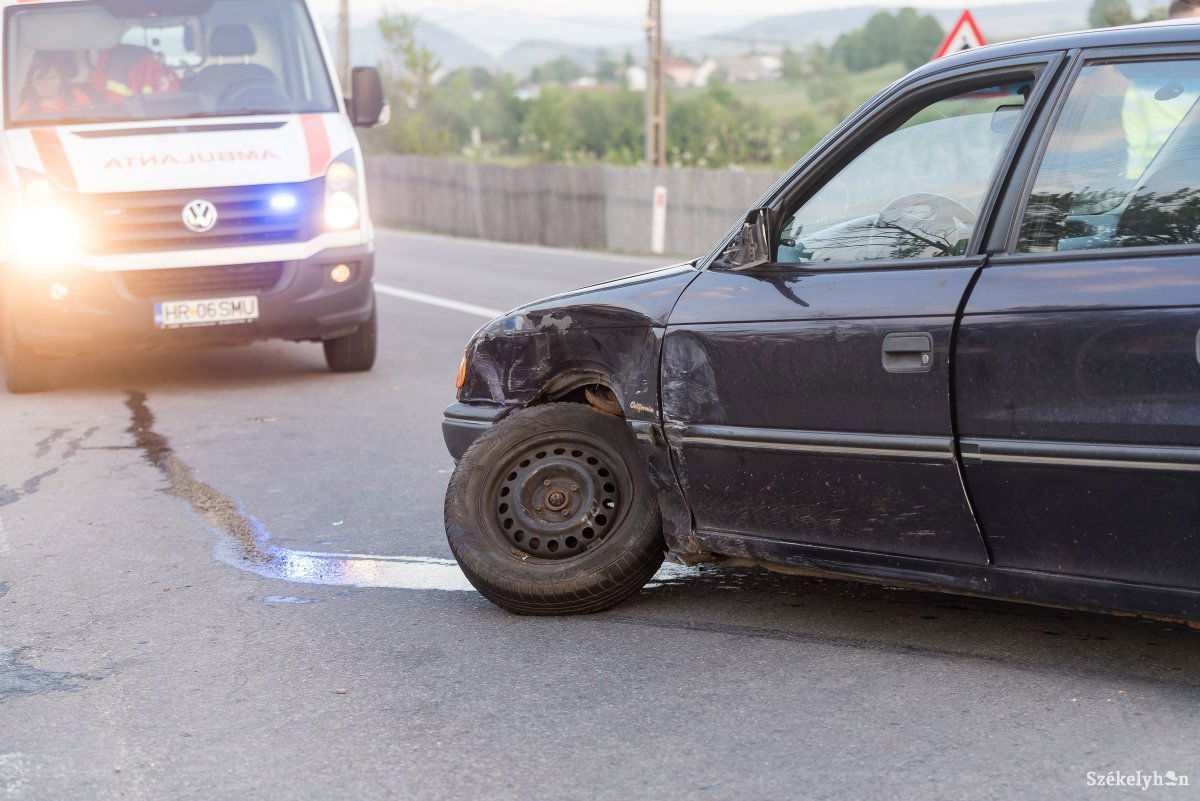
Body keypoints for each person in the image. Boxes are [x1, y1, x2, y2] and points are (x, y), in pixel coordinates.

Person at [16, 51, 93, 119]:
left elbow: (91, 120)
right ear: (32, 83)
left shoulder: (77, 96)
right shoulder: (26, 111)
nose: (46, 83)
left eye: (53, 78)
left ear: (61, 81)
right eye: (39, 78)